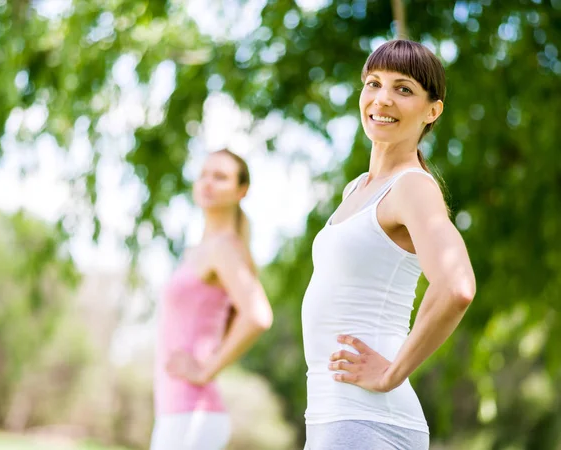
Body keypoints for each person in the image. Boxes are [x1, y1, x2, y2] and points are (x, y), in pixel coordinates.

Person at [301, 39, 476, 449]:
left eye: (403, 89)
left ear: (433, 111)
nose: (382, 99)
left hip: (367, 418)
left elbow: (456, 286)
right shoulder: (356, 190)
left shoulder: (413, 187)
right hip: (334, 416)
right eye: (373, 83)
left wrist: (391, 372)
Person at [151, 149, 273, 450]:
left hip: (192, 413)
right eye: (204, 174)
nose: (208, 182)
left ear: (241, 191)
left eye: (220, 177)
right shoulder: (201, 250)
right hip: (178, 411)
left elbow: (258, 315)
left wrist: (206, 370)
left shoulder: (223, 248)